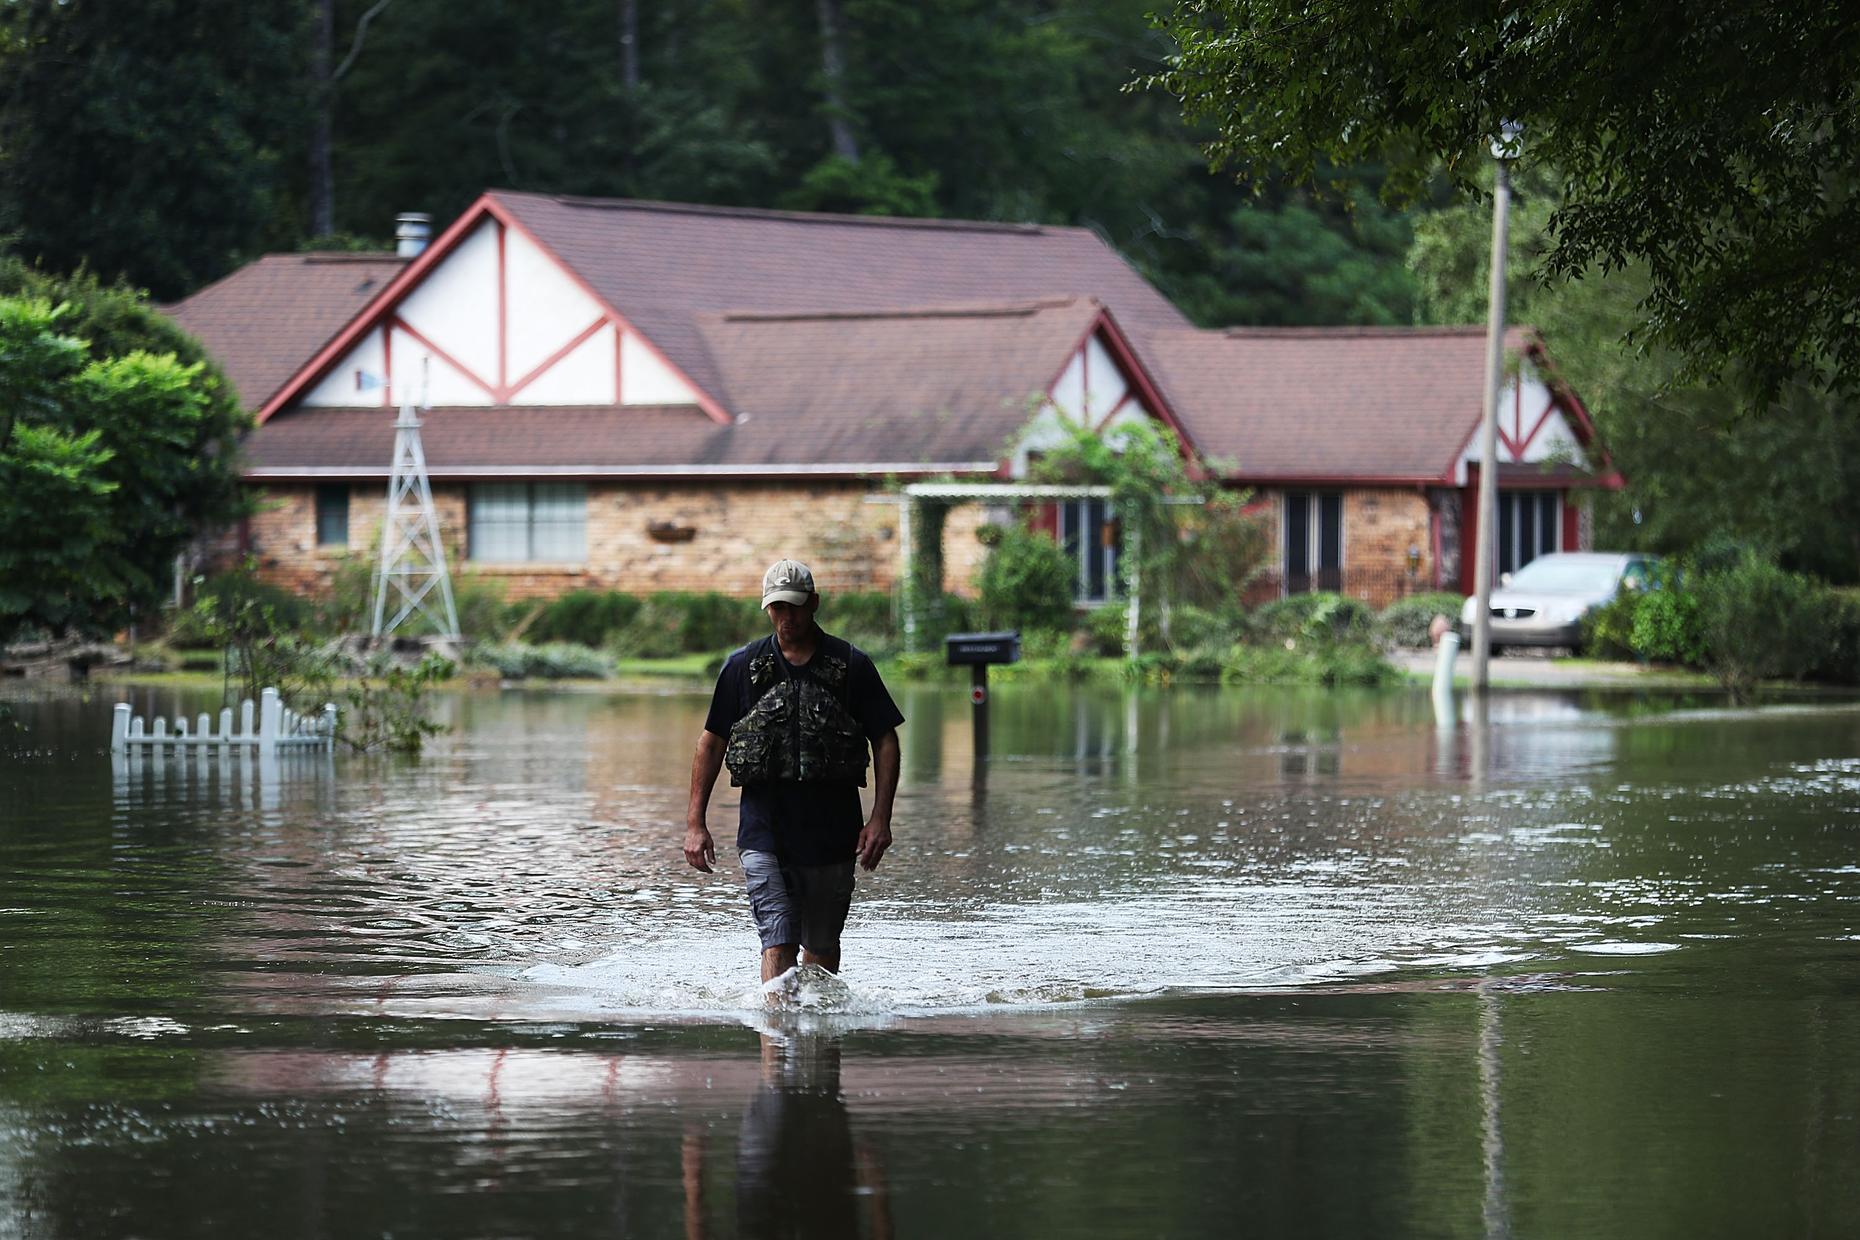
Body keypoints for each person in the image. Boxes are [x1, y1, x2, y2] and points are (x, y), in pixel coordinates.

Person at [683, 558, 903, 984]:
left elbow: (886, 739)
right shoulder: (742, 668)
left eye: (795, 606)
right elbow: (711, 743)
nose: (787, 617)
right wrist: (696, 823)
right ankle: (777, 1037)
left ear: (814, 603)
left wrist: (880, 818)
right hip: (765, 831)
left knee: (820, 948)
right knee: (778, 940)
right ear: (767, 608)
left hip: (833, 832)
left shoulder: (851, 666)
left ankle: (815, 1042)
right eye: (778, 608)